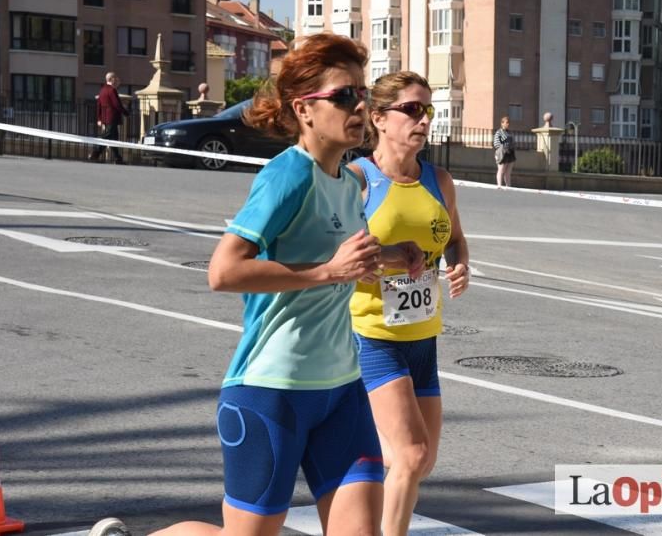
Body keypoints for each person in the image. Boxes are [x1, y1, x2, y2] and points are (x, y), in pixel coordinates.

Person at [89, 34, 423, 536]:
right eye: (343, 96)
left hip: (341, 390)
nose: (359, 107)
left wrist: (393, 255)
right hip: (272, 391)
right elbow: (224, 272)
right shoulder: (288, 176)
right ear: (304, 110)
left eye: (363, 95)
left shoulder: (351, 182)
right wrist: (326, 272)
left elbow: (341, 257)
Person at [348, 71, 470, 536]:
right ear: (379, 118)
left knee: (418, 461)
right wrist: (388, 255)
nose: (423, 120)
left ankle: (355, 520)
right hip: (373, 335)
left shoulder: (439, 179)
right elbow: (331, 252)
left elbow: (455, 239)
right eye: (412, 109)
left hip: (423, 339)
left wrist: (459, 264)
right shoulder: (358, 179)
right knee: (412, 454)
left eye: (428, 110)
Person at [88, 72, 129, 165]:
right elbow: (117, 104)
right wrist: (126, 112)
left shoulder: (102, 90)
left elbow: (98, 105)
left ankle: (118, 158)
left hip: (105, 118)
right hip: (112, 118)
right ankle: (95, 152)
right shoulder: (112, 90)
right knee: (107, 135)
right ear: (112, 79)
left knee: (113, 139)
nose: (117, 80)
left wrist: (99, 118)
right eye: (116, 78)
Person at [493, 116, 516, 189]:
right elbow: (496, 144)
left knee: (508, 172)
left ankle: (508, 186)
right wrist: (504, 148)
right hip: (502, 154)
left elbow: (513, 142)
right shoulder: (499, 132)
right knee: (501, 169)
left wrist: (511, 147)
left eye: (508, 122)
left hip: (510, 153)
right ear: (502, 123)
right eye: (506, 122)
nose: (508, 124)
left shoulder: (510, 132)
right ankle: (499, 185)